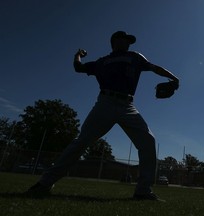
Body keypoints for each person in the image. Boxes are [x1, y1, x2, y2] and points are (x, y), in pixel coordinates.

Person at [26, 31, 179, 201]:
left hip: (128, 106)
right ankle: (44, 183)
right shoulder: (102, 61)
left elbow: (154, 68)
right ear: (115, 41)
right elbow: (78, 68)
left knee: (148, 141)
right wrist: (78, 54)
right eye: (125, 39)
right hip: (104, 104)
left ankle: (143, 191)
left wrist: (173, 77)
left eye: (129, 41)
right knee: (81, 142)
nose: (128, 43)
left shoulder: (134, 56)